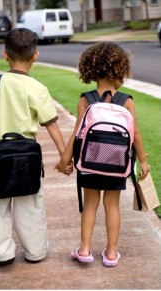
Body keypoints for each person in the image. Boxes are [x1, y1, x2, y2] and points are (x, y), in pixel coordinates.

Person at [0, 28, 72, 266]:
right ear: (35, 56)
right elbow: (53, 126)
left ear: (4, 54)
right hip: (29, 160)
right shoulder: (37, 88)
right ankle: (35, 252)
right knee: (31, 207)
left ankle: (3, 254)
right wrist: (63, 156)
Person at [56, 42, 150, 267]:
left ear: (90, 68)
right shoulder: (126, 100)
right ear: (120, 68)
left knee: (90, 205)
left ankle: (85, 249)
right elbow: (134, 132)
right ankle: (111, 253)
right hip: (116, 164)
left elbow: (78, 132)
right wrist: (144, 161)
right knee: (112, 206)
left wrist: (65, 160)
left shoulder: (85, 99)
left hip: (89, 162)